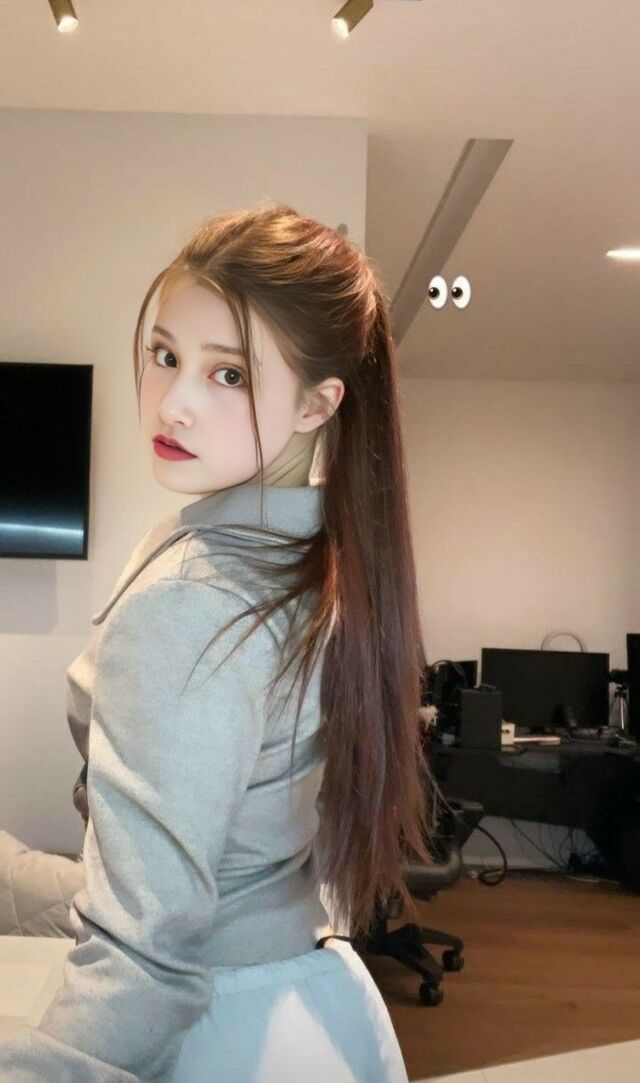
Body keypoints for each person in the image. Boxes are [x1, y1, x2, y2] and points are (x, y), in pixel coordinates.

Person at [0, 202, 437, 1081]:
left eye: (228, 374)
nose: (175, 402)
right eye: (166, 355)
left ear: (317, 403)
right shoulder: (312, 559)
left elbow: (147, 952)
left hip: (221, 1021)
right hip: (308, 992)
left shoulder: (193, 600)